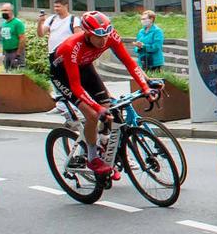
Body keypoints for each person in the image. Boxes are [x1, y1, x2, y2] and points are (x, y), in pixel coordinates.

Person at [50, 12, 150, 177]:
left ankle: (104, 144)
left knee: (108, 107)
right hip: (64, 76)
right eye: (98, 36)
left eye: (106, 35)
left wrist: (145, 87)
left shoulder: (110, 36)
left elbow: (129, 62)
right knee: (92, 114)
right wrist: (96, 108)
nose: (103, 40)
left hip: (85, 67)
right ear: (88, 34)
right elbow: (75, 86)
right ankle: (92, 156)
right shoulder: (71, 47)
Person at [0, 3, 25, 69]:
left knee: (17, 73)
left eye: (6, 10)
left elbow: (22, 39)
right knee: (8, 74)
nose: (4, 12)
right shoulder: (4, 24)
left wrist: (18, 54)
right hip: (6, 53)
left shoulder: (17, 23)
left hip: (15, 52)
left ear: (11, 11)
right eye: (2, 10)